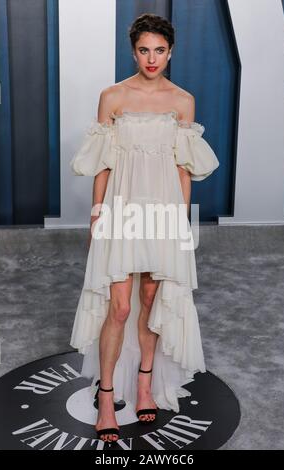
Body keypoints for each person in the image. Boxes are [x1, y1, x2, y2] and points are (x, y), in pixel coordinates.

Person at [69, 13, 220, 444]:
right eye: (143, 50)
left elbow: (184, 169)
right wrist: (97, 213)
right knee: (118, 306)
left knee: (152, 299)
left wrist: (182, 223)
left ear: (171, 52)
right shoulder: (113, 97)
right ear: (133, 51)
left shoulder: (183, 101)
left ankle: (144, 384)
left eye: (159, 50)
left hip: (163, 213)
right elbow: (101, 162)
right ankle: (106, 394)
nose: (151, 58)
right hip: (121, 208)